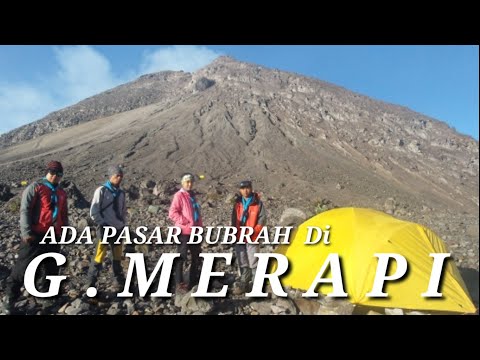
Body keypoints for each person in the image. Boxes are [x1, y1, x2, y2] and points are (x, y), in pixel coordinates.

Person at [3, 161, 68, 314]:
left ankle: (45, 295)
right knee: (23, 267)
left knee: (51, 266)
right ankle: (9, 299)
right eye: (53, 172)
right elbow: (24, 210)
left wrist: (64, 231)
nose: (55, 176)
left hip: (53, 235)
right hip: (35, 235)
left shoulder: (61, 192)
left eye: (59, 174)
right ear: (47, 172)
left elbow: (63, 214)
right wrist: (26, 232)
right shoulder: (36, 187)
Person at [85, 165, 127, 292]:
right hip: (105, 228)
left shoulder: (121, 193)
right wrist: (102, 224)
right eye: (116, 176)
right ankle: (90, 284)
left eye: (120, 176)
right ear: (110, 177)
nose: (119, 178)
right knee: (99, 256)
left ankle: (119, 281)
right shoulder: (101, 191)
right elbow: (94, 211)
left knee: (117, 256)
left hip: (118, 229)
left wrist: (123, 224)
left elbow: (123, 210)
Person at [168, 173, 203, 294]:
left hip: (195, 232)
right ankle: (179, 283)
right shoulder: (179, 195)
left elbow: (196, 214)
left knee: (196, 257)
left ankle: (193, 281)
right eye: (187, 182)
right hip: (183, 232)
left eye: (191, 182)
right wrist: (186, 222)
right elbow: (172, 213)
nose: (189, 184)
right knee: (181, 257)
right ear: (182, 183)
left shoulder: (192, 196)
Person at [231, 180, 266, 295]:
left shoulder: (258, 203)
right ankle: (244, 283)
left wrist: (255, 232)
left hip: (252, 236)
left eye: (247, 188)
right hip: (239, 236)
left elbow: (262, 219)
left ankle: (256, 285)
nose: (245, 191)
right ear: (240, 190)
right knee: (243, 261)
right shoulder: (237, 203)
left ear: (251, 188)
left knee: (253, 261)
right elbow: (234, 219)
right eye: (243, 188)